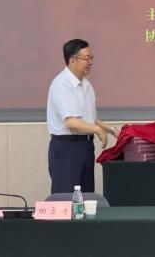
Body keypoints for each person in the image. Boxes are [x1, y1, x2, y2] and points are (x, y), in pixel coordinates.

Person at [47, 39, 117, 193]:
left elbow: (90, 120)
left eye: (92, 58)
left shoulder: (87, 85)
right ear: (72, 60)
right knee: (66, 197)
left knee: (86, 197)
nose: (90, 62)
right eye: (87, 58)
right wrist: (97, 130)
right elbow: (71, 123)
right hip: (67, 148)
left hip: (86, 147)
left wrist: (111, 130)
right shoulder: (62, 84)